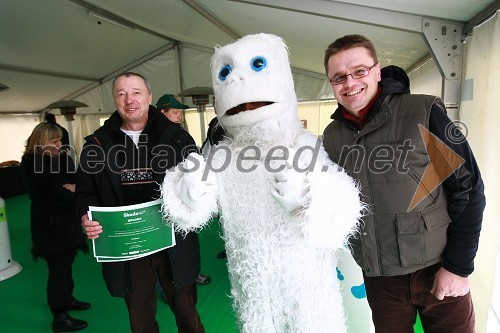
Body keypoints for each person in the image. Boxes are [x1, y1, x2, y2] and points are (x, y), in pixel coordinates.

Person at [322, 34, 486, 332]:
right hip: (381, 278)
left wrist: (457, 267)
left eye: (360, 71)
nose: (350, 83)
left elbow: (469, 189)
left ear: (377, 70)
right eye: (339, 77)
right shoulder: (333, 135)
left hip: (438, 269)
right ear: (331, 83)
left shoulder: (423, 111)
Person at [76, 72, 205, 333]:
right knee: (141, 319)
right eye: (121, 93)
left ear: (149, 97)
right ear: (115, 100)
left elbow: (199, 185)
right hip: (128, 245)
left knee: (187, 312)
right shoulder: (97, 145)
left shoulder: (177, 138)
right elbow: (85, 193)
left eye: (136, 92)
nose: (129, 99)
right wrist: (85, 216)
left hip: (173, 241)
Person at [20, 122, 90, 333]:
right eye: (55, 141)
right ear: (41, 142)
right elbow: (54, 194)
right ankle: (59, 315)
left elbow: (78, 180)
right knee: (58, 270)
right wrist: (76, 192)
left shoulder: (60, 157)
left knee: (66, 265)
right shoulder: (32, 161)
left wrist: (75, 187)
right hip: (49, 224)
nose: (60, 144)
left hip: (66, 222)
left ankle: (66, 299)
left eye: (60, 140)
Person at [156, 93, 211, 286]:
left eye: (180, 112)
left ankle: (190, 273)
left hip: (185, 193)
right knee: (171, 242)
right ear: (162, 112)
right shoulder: (154, 136)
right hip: (167, 198)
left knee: (187, 238)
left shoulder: (179, 132)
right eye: (175, 112)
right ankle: (173, 281)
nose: (179, 116)